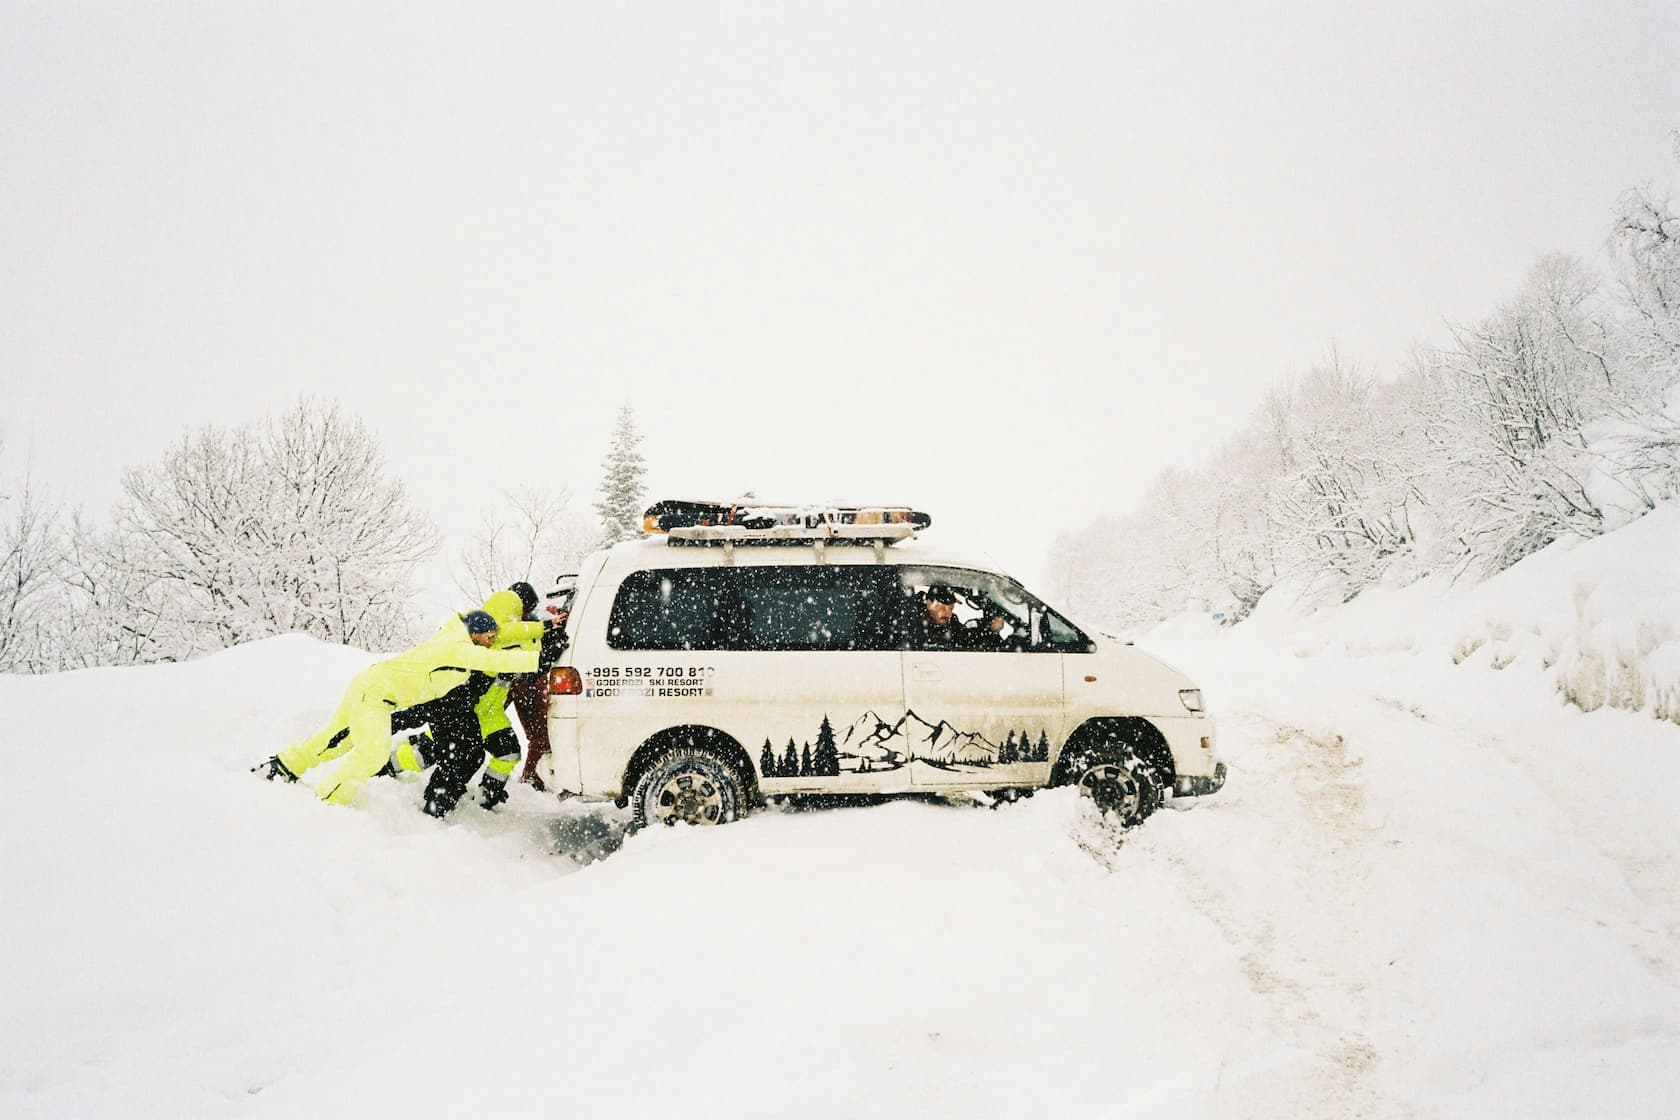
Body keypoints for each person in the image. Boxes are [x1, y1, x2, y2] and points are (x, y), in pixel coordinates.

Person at [255, 610, 539, 809]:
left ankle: (284, 765)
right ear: (475, 634)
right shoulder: (456, 647)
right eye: (489, 636)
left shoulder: (455, 644)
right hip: (374, 695)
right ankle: (328, 802)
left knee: (337, 740)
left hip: (371, 687)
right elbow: (495, 661)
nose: (492, 642)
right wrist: (540, 656)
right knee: (372, 753)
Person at [388, 581, 568, 813]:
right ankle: (390, 766)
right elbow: (521, 651)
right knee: (433, 753)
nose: (528, 616)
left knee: (507, 752)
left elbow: (526, 646)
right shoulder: (492, 636)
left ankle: (485, 799)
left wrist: (548, 631)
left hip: (490, 712)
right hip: (464, 710)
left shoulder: (507, 633)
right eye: (525, 611)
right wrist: (549, 642)